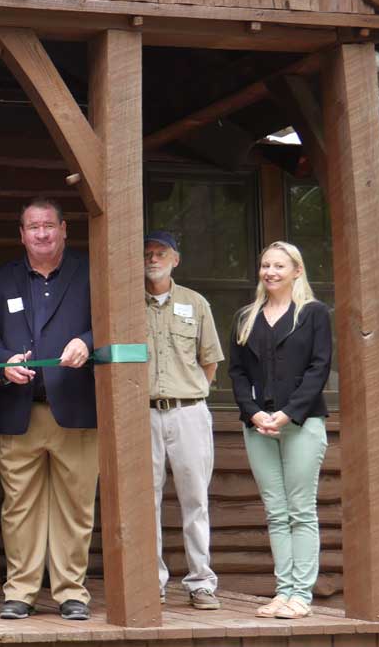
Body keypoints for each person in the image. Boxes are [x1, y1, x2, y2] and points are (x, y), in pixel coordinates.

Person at [0, 196, 96, 622]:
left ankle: (71, 592)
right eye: (33, 227)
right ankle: (22, 591)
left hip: (77, 409)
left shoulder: (90, 272)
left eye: (49, 225)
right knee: (19, 507)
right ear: (22, 234)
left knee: (76, 506)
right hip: (19, 410)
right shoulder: (0, 280)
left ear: (64, 229)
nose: (42, 233)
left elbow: (111, 320)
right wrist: (3, 362)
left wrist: (88, 340)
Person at [229, 241, 331, 621]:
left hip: (302, 423)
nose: (270, 272)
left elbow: (319, 369)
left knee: (300, 510)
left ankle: (301, 595)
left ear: (296, 271)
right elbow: (237, 373)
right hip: (258, 426)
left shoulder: (314, 313)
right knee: (276, 511)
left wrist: (287, 414)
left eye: (279, 266)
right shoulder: (245, 317)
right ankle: (282, 591)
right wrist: (253, 413)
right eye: (265, 265)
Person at [143, 230, 224, 611]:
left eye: (161, 252)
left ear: (176, 259)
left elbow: (209, 361)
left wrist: (187, 395)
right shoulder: (129, 303)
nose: (154, 258)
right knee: (147, 500)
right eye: (148, 252)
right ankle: (152, 582)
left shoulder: (196, 303)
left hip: (189, 410)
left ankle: (201, 582)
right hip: (143, 414)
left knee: (196, 499)